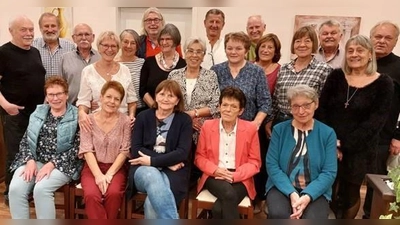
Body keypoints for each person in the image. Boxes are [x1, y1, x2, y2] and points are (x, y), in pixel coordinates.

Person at [315, 34, 394, 219]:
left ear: (370, 54)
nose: (354, 54)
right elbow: (322, 110)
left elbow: (376, 122)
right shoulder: (336, 76)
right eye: (350, 50)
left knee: (350, 195)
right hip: (328, 144)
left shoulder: (384, 83)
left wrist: (344, 145)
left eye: (360, 50)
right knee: (328, 190)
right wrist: (332, 143)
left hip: (360, 149)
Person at [8, 76, 81, 219]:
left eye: (59, 94)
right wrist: (29, 160)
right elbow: (26, 140)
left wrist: (51, 164)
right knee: (15, 189)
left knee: (41, 189)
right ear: (46, 97)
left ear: (66, 94)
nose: (55, 98)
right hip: (35, 160)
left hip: (64, 164)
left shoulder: (77, 115)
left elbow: (77, 148)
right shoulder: (38, 113)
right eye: (51, 95)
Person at [266, 84, 337, 219]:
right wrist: (291, 193)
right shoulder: (279, 130)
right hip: (281, 187)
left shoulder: (327, 133)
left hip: (316, 190)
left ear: (316, 104)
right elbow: (272, 165)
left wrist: (307, 196)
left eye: (306, 105)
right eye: (296, 106)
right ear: (290, 108)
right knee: (279, 214)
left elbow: (329, 172)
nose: (301, 111)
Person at [127, 80, 192, 219]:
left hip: (174, 171)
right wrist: (162, 162)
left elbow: (182, 152)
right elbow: (136, 149)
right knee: (152, 175)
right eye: (162, 94)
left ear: (177, 101)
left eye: (171, 96)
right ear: (155, 96)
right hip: (143, 168)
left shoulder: (184, 120)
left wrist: (152, 160)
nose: (165, 99)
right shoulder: (143, 117)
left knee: (152, 202)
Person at [195, 87, 261, 219]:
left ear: (240, 110)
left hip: (240, 176)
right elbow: (199, 157)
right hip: (214, 176)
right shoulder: (208, 126)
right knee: (228, 194)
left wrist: (234, 175)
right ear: (219, 107)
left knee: (219, 208)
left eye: (233, 106)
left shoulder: (250, 129)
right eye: (224, 105)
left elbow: (255, 162)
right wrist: (215, 170)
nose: (228, 110)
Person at [0, 15, 46, 206]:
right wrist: (6, 105)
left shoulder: (35, 51)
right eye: (23, 30)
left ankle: (28, 191)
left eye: (31, 29)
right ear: (12, 31)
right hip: (15, 115)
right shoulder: (3, 52)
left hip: (36, 114)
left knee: (34, 153)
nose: (29, 33)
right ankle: (12, 196)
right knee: (15, 154)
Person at [168, 37, 220, 182]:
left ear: (203, 56)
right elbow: (168, 100)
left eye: (199, 52)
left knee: (199, 166)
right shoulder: (174, 75)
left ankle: (197, 189)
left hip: (202, 127)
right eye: (190, 51)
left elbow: (216, 104)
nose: (194, 55)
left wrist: (194, 114)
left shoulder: (210, 76)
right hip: (178, 125)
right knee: (180, 165)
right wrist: (186, 119)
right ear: (184, 53)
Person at [362, 20, 400, 219]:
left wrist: (398, 137)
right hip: (353, 134)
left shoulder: (399, 66)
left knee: (376, 182)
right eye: (378, 36)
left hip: (382, 137)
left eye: (388, 38)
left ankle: (370, 216)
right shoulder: (360, 62)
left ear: (395, 42)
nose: (382, 41)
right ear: (371, 38)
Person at [78, 81, 131, 219]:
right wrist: (98, 176)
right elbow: (86, 149)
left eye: (116, 99)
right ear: (100, 97)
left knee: (113, 193)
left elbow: (125, 151)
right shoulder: (88, 120)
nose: (112, 101)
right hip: (92, 167)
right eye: (108, 97)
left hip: (116, 167)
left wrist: (109, 175)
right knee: (91, 195)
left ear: (120, 102)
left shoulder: (125, 121)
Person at [267, 25, 333, 136]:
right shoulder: (284, 68)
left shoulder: (324, 69)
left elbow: (326, 104)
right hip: (281, 121)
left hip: (307, 123)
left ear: (314, 44)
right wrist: (269, 120)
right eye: (298, 41)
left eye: (307, 41)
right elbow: (275, 98)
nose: (302, 45)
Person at [77, 31, 137, 132]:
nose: (109, 49)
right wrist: (82, 114)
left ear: (118, 49)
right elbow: (83, 101)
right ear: (99, 47)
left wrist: (131, 116)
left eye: (113, 46)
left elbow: (132, 100)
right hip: (96, 125)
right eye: (105, 45)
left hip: (122, 125)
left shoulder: (125, 70)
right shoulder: (88, 71)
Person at [211, 31, 271, 129]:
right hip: (220, 128)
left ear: (246, 51)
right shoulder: (216, 70)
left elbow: (265, 102)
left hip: (248, 127)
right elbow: (211, 102)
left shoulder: (257, 71)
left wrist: (256, 123)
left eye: (238, 48)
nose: (233, 52)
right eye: (229, 48)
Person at [253, 32, 282, 213]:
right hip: (250, 122)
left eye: (270, 47)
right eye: (262, 46)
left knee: (264, 161)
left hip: (270, 123)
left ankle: (262, 198)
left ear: (276, 51)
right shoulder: (249, 66)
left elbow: (277, 99)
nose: (265, 50)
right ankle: (251, 195)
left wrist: (268, 121)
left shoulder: (281, 70)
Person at [139, 23, 186, 110]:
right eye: (161, 39)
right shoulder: (149, 62)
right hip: (152, 111)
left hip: (176, 113)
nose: (164, 42)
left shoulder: (183, 64)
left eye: (168, 39)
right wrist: (155, 107)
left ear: (175, 41)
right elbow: (142, 90)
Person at [60, 23, 100, 105]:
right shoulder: (65, 58)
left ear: (93, 37)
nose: (84, 38)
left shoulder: (100, 58)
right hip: (71, 108)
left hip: (96, 109)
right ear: (73, 38)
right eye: (80, 35)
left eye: (87, 34)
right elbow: (60, 85)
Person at [32, 12, 75, 78]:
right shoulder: (32, 46)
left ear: (59, 28)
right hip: (39, 88)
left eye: (53, 26)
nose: (50, 30)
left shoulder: (70, 47)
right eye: (46, 26)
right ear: (40, 28)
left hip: (64, 88)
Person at [115, 29, 146, 116]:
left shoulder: (143, 63)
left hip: (141, 111)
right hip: (119, 110)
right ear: (120, 43)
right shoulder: (114, 63)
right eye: (126, 42)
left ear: (137, 46)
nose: (129, 46)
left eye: (133, 43)